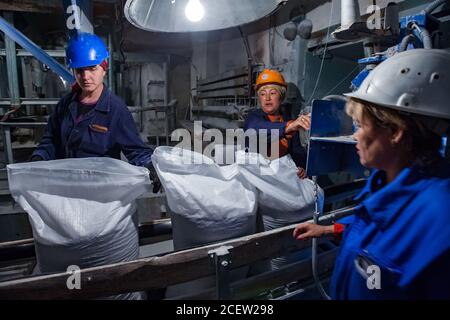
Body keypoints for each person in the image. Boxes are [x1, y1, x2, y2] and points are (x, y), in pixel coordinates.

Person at [293, 49, 450, 299]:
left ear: (396, 132)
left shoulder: (440, 220)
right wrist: (329, 229)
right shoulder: (384, 183)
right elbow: (378, 228)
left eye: (362, 126)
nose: (356, 135)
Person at [30, 33, 160, 192]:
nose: (85, 76)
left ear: (104, 68)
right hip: (67, 186)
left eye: (92, 68)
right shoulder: (65, 105)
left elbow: (136, 151)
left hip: (102, 191)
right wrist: (39, 157)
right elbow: (51, 140)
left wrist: (150, 166)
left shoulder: (115, 109)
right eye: (79, 70)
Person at [244, 69, 310, 179]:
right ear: (259, 98)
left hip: (281, 178)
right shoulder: (253, 118)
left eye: (273, 93)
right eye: (262, 94)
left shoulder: (287, 121)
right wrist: (288, 127)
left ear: (281, 97)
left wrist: (301, 167)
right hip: (257, 177)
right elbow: (256, 129)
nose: (267, 98)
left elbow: (297, 152)